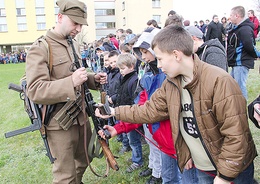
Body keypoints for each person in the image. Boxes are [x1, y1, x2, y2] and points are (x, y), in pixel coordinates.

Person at [96, 25, 257, 184]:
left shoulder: (219, 81)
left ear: (176, 55)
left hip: (230, 171)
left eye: (160, 59)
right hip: (202, 168)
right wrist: (114, 112)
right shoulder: (171, 83)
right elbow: (149, 111)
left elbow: (236, 135)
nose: (158, 65)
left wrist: (225, 176)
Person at [25, 0, 107, 183]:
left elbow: (77, 74)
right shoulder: (41, 47)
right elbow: (35, 90)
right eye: (75, 23)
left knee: (86, 159)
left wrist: (94, 79)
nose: (78, 29)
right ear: (60, 17)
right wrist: (71, 82)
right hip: (59, 123)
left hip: (81, 116)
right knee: (65, 175)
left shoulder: (73, 43)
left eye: (81, 24)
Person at [227, 6, 259, 100]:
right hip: (236, 63)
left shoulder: (244, 29)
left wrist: (257, 55)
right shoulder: (238, 28)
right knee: (231, 84)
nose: (230, 17)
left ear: (237, 16)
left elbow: (249, 46)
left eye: (231, 15)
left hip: (241, 62)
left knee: (240, 87)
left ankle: (242, 110)